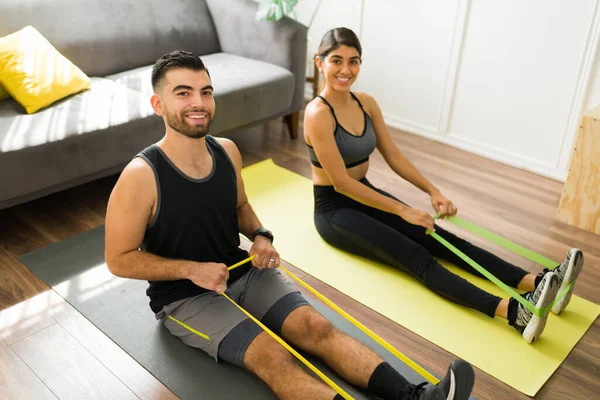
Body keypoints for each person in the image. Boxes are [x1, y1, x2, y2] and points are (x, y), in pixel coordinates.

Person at [104, 50, 475, 400]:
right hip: (184, 298)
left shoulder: (227, 151)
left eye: (206, 92)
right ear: (158, 104)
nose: (198, 103)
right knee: (273, 355)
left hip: (243, 271)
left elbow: (240, 206)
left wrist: (261, 237)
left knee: (318, 328)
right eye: (183, 93)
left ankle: (419, 396)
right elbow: (118, 259)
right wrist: (192, 270)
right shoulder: (141, 176)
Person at [303, 28, 584, 344]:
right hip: (334, 210)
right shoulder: (317, 114)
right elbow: (341, 184)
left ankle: (538, 282)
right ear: (320, 63)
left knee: (439, 237)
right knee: (415, 254)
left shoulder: (365, 103)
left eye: (353, 61)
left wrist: (432, 191)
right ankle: (515, 313)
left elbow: (393, 154)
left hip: (364, 193)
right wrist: (405, 210)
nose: (345, 70)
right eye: (336, 61)